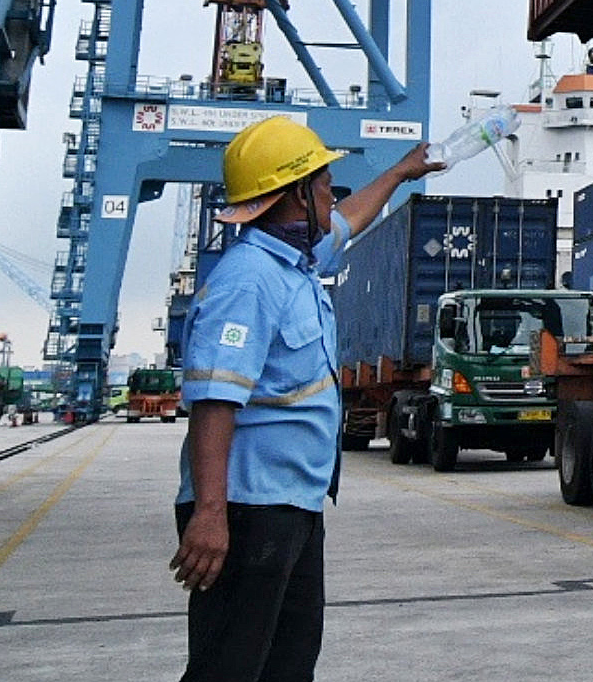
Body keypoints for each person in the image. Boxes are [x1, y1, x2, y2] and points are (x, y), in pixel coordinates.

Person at [169, 119, 438, 682]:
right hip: (245, 511)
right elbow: (214, 401)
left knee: (288, 664)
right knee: (230, 666)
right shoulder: (249, 281)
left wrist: (399, 173)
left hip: (291, 504)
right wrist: (210, 514)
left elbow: (350, 220)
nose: (332, 195)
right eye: (324, 185)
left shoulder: (295, 265)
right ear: (296, 194)